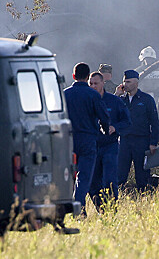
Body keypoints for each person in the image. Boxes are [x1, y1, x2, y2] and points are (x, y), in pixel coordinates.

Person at [63, 62, 110, 209]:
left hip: (68, 140)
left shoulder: (64, 94)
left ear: (73, 75)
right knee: (84, 176)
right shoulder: (93, 95)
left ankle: (69, 205)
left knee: (67, 176)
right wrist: (106, 131)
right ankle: (79, 207)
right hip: (88, 140)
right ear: (87, 76)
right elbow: (104, 117)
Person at [88, 71, 130, 207]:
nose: (93, 86)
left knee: (110, 180)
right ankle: (101, 209)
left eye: (96, 83)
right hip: (92, 146)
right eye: (91, 83)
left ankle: (112, 209)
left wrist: (115, 128)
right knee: (93, 182)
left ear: (102, 83)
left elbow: (127, 122)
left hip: (110, 146)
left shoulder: (114, 101)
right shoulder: (87, 101)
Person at [117, 69, 159, 190]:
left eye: (128, 81)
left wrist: (153, 143)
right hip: (124, 141)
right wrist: (117, 94)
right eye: (124, 81)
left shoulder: (146, 100)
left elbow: (155, 122)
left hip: (141, 141)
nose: (125, 84)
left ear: (136, 83)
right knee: (120, 174)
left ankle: (144, 198)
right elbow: (110, 113)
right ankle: (119, 199)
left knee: (142, 176)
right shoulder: (120, 100)